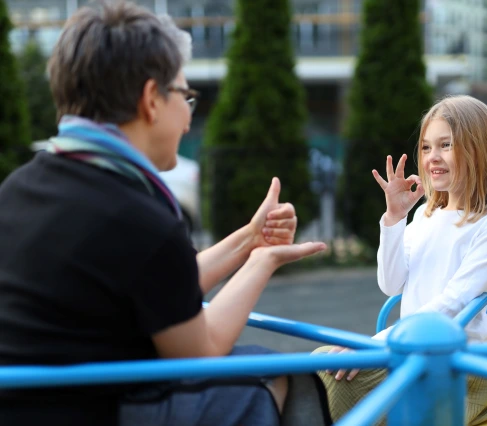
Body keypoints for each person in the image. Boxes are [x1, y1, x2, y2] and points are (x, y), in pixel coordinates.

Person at [0, 2, 329, 426]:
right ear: (152, 99)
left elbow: (159, 283)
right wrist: (262, 261)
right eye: (185, 97)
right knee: (268, 374)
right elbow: (200, 352)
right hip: (88, 411)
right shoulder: (136, 213)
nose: (188, 120)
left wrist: (249, 240)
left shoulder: (21, 187)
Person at [313, 95, 487, 425]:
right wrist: (395, 218)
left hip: (463, 366)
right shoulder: (426, 214)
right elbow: (391, 283)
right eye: (425, 147)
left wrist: (375, 344)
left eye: (446, 145)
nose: (432, 158)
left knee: (337, 386)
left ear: (479, 150)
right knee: (321, 365)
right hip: (412, 353)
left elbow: (454, 303)